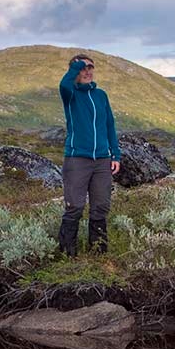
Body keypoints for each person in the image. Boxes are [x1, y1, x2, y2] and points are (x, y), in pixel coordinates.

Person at [57, 54, 121, 257]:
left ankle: (98, 255)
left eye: (90, 67)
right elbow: (64, 84)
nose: (87, 71)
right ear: (74, 72)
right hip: (77, 159)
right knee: (75, 206)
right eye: (82, 68)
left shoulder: (101, 95)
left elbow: (109, 125)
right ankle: (67, 255)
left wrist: (115, 155)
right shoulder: (70, 94)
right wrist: (75, 66)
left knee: (101, 207)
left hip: (102, 160)